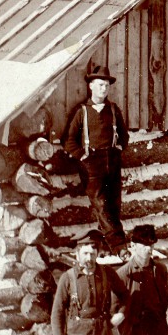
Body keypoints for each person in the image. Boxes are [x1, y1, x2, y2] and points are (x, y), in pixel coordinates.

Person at [61, 61, 128, 243]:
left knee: (114, 205)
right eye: (100, 84)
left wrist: (120, 147)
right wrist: (82, 156)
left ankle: (106, 246)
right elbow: (68, 140)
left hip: (112, 160)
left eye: (106, 85)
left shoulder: (113, 109)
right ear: (91, 86)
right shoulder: (82, 111)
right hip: (92, 163)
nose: (104, 88)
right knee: (101, 204)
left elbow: (124, 135)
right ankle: (119, 245)